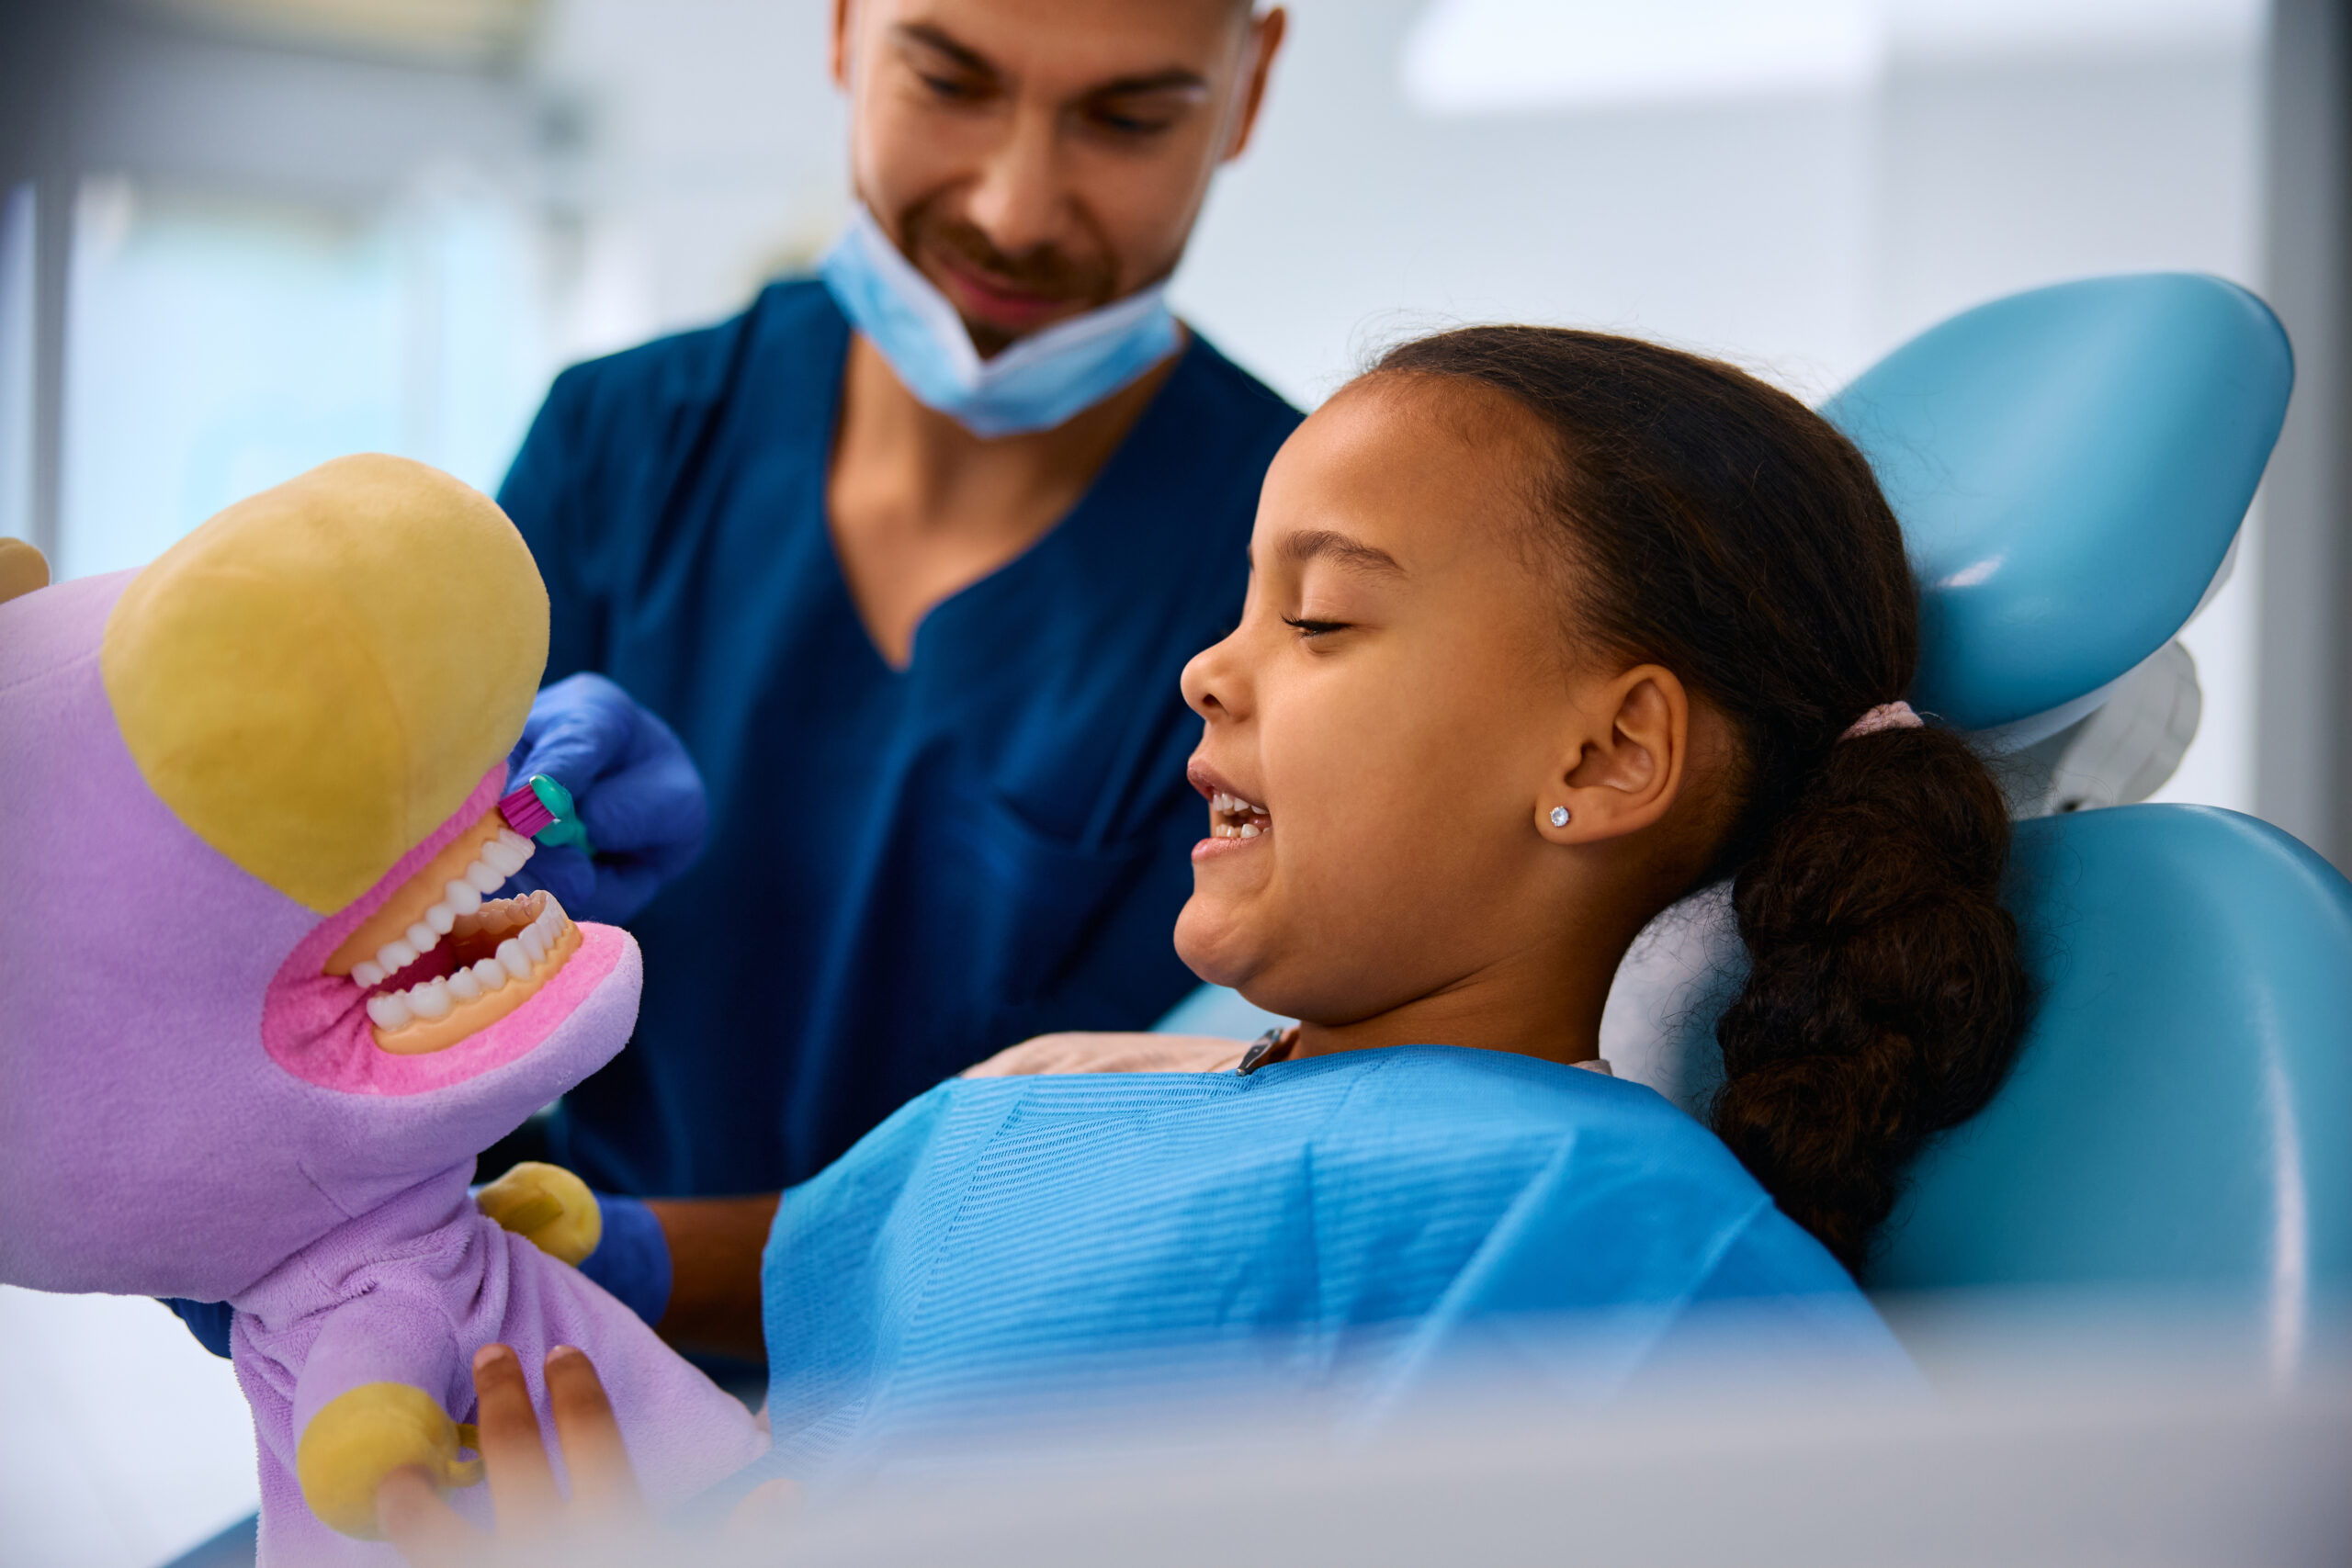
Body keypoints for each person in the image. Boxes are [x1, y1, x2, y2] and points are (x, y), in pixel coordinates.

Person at [393, 323, 2030, 1495]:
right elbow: (844, 1268)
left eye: (1319, 619)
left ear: (1606, 754)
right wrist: (439, 1248)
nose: (1206, 668)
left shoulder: (1593, 1231)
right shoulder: (1098, 1092)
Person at [477, 0, 1300, 1337]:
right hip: (543, 1363)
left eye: (1129, 118)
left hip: (1004, 1416)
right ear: (848, 28)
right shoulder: (619, 446)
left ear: (1251, 82)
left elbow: (1202, 1157)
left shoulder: (1297, 565)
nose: (1018, 207)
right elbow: (377, 991)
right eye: (951, 82)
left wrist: (573, 1270)